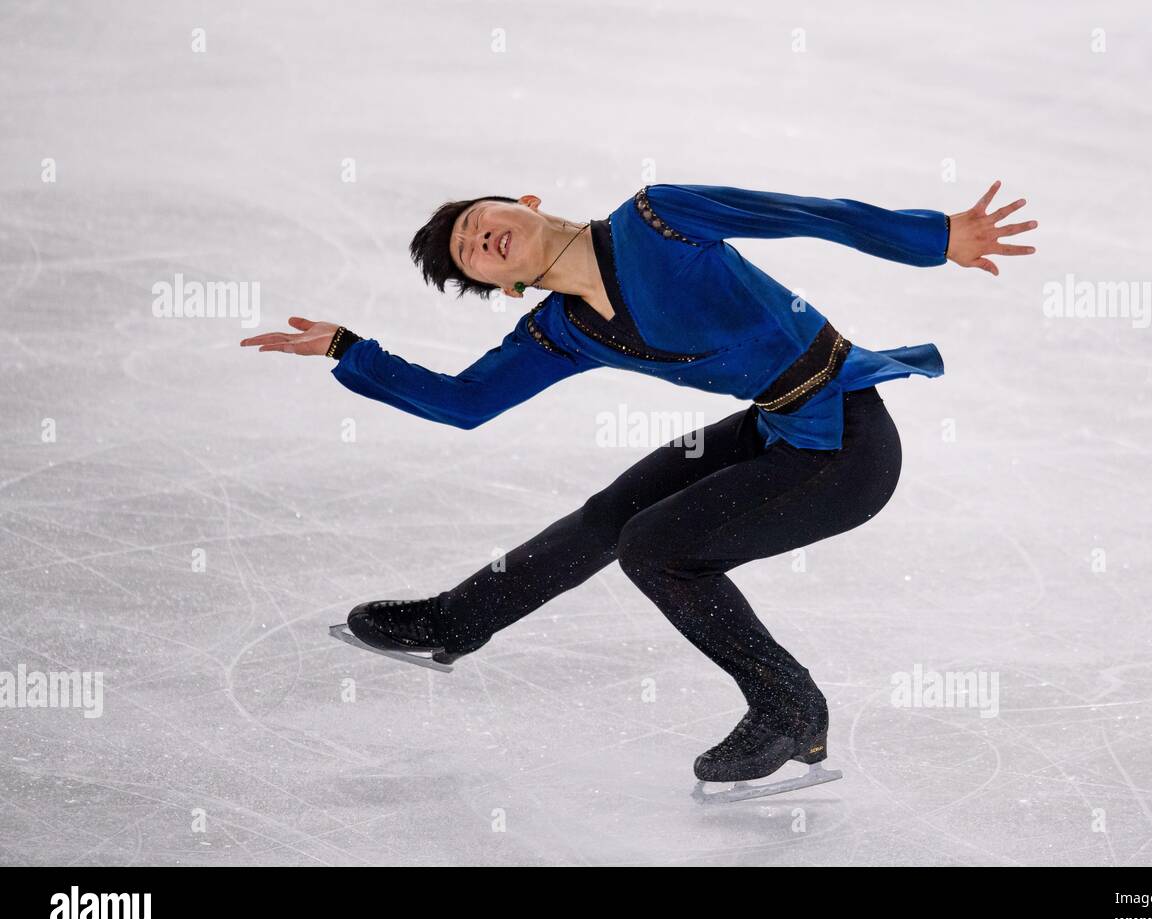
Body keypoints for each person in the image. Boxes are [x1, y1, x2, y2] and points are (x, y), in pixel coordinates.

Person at [240, 180, 1036, 786]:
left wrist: (937, 237)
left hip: (846, 448)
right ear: (506, 285)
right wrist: (349, 348)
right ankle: (457, 621)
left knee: (655, 547)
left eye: (478, 221)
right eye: (470, 253)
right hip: (776, 428)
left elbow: (807, 213)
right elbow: (464, 403)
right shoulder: (558, 331)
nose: (480, 236)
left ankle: (789, 707)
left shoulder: (659, 218)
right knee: (612, 514)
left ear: (524, 201)